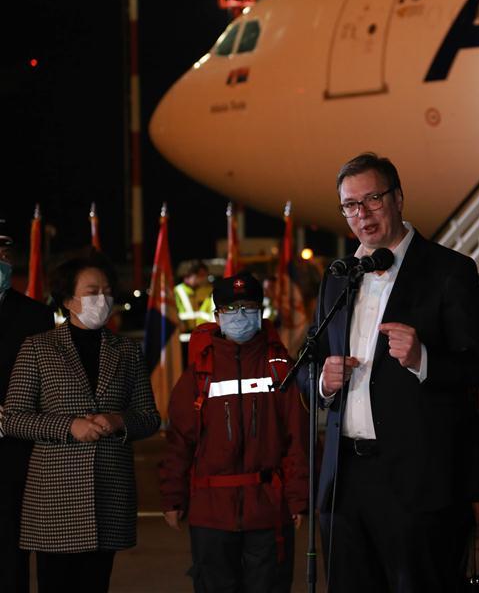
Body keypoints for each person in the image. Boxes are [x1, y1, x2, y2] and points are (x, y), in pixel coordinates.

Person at [306, 152, 479, 593]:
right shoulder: (338, 277)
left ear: (398, 198)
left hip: (417, 481)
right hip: (345, 480)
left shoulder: (449, 270)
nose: (362, 214)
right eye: (350, 205)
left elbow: (477, 366)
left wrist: (423, 359)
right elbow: (309, 359)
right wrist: (323, 381)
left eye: (372, 199)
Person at [1, 254, 161, 593]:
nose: (102, 299)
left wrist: (120, 420)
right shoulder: (38, 348)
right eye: (92, 292)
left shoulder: (127, 351)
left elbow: (149, 417)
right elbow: (13, 418)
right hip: (55, 498)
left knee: (96, 583)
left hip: (109, 493)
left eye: (107, 291)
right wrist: (68, 426)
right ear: (67, 299)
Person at [159, 272, 309, 593]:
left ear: (260, 312)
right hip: (211, 514)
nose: (240, 315)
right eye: (230, 309)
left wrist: (298, 499)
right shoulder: (199, 373)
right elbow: (179, 441)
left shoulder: (280, 368)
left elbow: (297, 437)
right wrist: (173, 496)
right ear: (217, 316)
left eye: (248, 307)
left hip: (268, 512)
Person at [0, 216, 55, 593]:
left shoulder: (35, 315)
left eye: (3, 253)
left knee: (10, 557)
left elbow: (46, 383)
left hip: (14, 453)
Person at [174, 260, 214, 339]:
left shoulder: (210, 290)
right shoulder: (178, 290)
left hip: (205, 333)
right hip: (183, 334)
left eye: (205, 275)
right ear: (190, 275)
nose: (204, 278)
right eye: (201, 275)